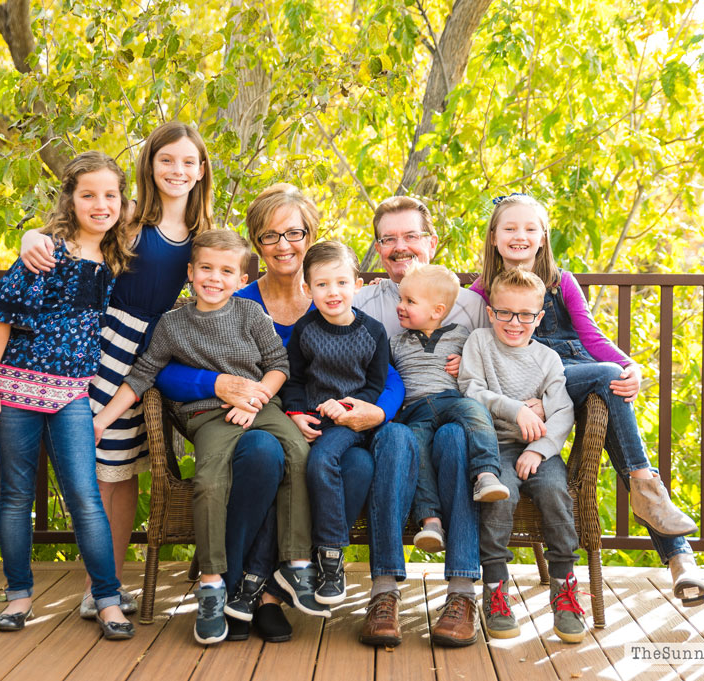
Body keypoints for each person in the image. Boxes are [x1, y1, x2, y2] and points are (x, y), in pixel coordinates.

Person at [154, 185, 397, 642]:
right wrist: (216, 385)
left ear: (311, 235)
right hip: (258, 419)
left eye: (294, 232)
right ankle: (243, 585)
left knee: (360, 464)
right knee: (266, 454)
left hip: (332, 421)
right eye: (270, 236)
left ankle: (280, 584)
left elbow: (386, 368)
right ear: (256, 246)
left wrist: (375, 411)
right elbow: (165, 371)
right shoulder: (235, 298)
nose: (284, 245)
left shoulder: (336, 290)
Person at [471, 192, 704, 606]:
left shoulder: (562, 284)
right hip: (522, 386)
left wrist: (631, 365)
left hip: (574, 372)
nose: (520, 236)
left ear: (543, 238)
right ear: (493, 237)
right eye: (510, 228)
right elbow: (464, 334)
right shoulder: (480, 290)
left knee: (611, 377)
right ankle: (671, 540)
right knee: (610, 386)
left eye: (530, 228)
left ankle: (654, 506)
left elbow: (592, 338)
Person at [19, 121, 213, 617]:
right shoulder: (129, 216)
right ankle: (96, 588)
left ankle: (106, 584)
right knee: (100, 469)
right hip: (105, 345)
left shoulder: (202, 233)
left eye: (188, 161)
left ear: (200, 171)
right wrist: (28, 238)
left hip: (154, 354)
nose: (177, 169)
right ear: (150, 164)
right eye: (167, 159)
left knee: (126, 473)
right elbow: (63, 231)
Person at [93, 229, 314, 645]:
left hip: (259, 404)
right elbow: (143, 374)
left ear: (240, 276)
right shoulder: (173, 325)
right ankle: (212, 584)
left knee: (299, 454)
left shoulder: (250, 314)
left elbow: (278, 363)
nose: (215, 278)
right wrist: (102, 419)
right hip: (208, 418)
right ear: (190, 273)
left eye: (227, 271)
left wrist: (257, 397)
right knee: (210, 483)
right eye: (207, 269)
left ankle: (295, 561)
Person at [0, 151, 136, 640]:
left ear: (122, 202)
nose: (100, 203)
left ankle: (107, 599)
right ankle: (20, 594)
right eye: (88, 195)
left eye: (111, 195)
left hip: (70, 395)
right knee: (17, 495)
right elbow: (1, 314)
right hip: (18, 389)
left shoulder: (110, 256)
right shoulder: (47, 250)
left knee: (85, 495)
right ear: (71, 199)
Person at [351, 196, 485, 648]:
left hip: (453, 418)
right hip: (393, 424)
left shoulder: (469, 305)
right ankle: (384, 592)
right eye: (388, 239)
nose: (399, 247)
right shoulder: (363, 301)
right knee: (393, 436)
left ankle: (462, 594)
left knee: (454, 437)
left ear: (430, 241)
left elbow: (508, 357)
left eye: (409, 236)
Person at [459, 267, 586, 643]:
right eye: (504, 313)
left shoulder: (547, 359)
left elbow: (562, 412)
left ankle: (564, 587)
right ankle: (496, 589)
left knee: (554, 493)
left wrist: (540, 449)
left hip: (539, 450)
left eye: (526, 315)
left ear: (539, 317)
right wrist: (516, 409)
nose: (515, 323)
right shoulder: (479, 343)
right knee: (502, 496)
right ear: (491, 311)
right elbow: (471, 390)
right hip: (492, 448)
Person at [390, 263, 508, 647]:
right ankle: (431, 521)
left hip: (453, 401)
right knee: (417, 449)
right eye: (400, 299)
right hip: (415, 409)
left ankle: (486, 474)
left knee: (475, 413)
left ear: (438, 310)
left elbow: (487, 367)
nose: (400, 306)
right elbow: (387, 379)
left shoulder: (465, 336)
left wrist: (466, 365)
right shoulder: (395, 342)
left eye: (409, 301)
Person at [281, 241, 390, 607]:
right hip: (313, 421)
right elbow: (294, 379)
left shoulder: (373, 332)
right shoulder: (304, 330)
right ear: (307, 289)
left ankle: (328, 555)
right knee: (358, 468)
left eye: (342, 283)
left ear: (357, 284)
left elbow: (375, 385)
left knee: (325, 461)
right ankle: (325, 557)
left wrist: (347, 407)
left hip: (353, 421)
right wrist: (296, 413)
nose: (333, 292)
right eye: (322, 285)